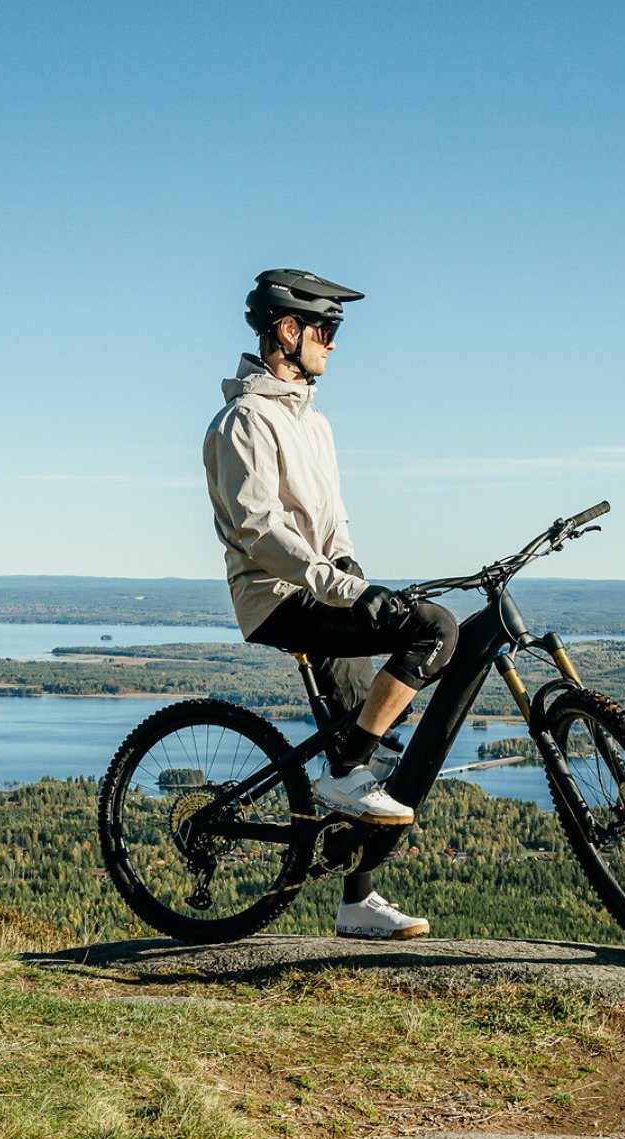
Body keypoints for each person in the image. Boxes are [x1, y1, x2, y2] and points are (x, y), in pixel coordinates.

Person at [203, 268, 457, 940]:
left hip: (322, 587)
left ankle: (356, 902)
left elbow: (334, 520)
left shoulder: (314, 423)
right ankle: (343, 772)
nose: (333, 344)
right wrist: (343, 589)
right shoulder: (242, 422)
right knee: (434, 630)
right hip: (278, 598)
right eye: (325, 329)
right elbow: (261, 532)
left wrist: (354, 574)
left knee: (367, 739)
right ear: (287, 330)